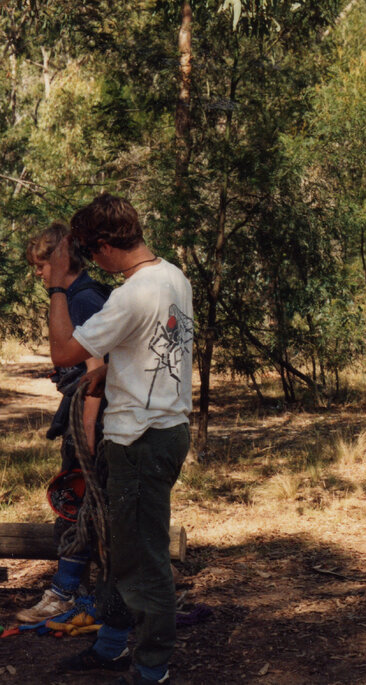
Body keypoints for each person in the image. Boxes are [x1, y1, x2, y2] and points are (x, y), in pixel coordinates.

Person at [46, 193, 193, 685]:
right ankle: (111, 644)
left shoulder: (132, 293)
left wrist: (61, 287)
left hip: (141, 440)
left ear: (105, 246)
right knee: (121, 548)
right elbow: (154, 345)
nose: (93, 265)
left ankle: (152, 668)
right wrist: (110, 369)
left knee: (144, 559)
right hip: (161, 432)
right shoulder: (172, 276)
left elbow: (64, 350)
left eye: (89, 255)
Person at [16, 221, 109, 625]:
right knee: (80, 501)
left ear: (61, 259)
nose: (38, 274)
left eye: (41, 264)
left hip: (92, 418)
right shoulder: (75, 296)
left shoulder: (84, 298)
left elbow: (98, 369)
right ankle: (84, 589)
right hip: (80, 413)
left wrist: (86, 429)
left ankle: (67, 591)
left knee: (77, 502)